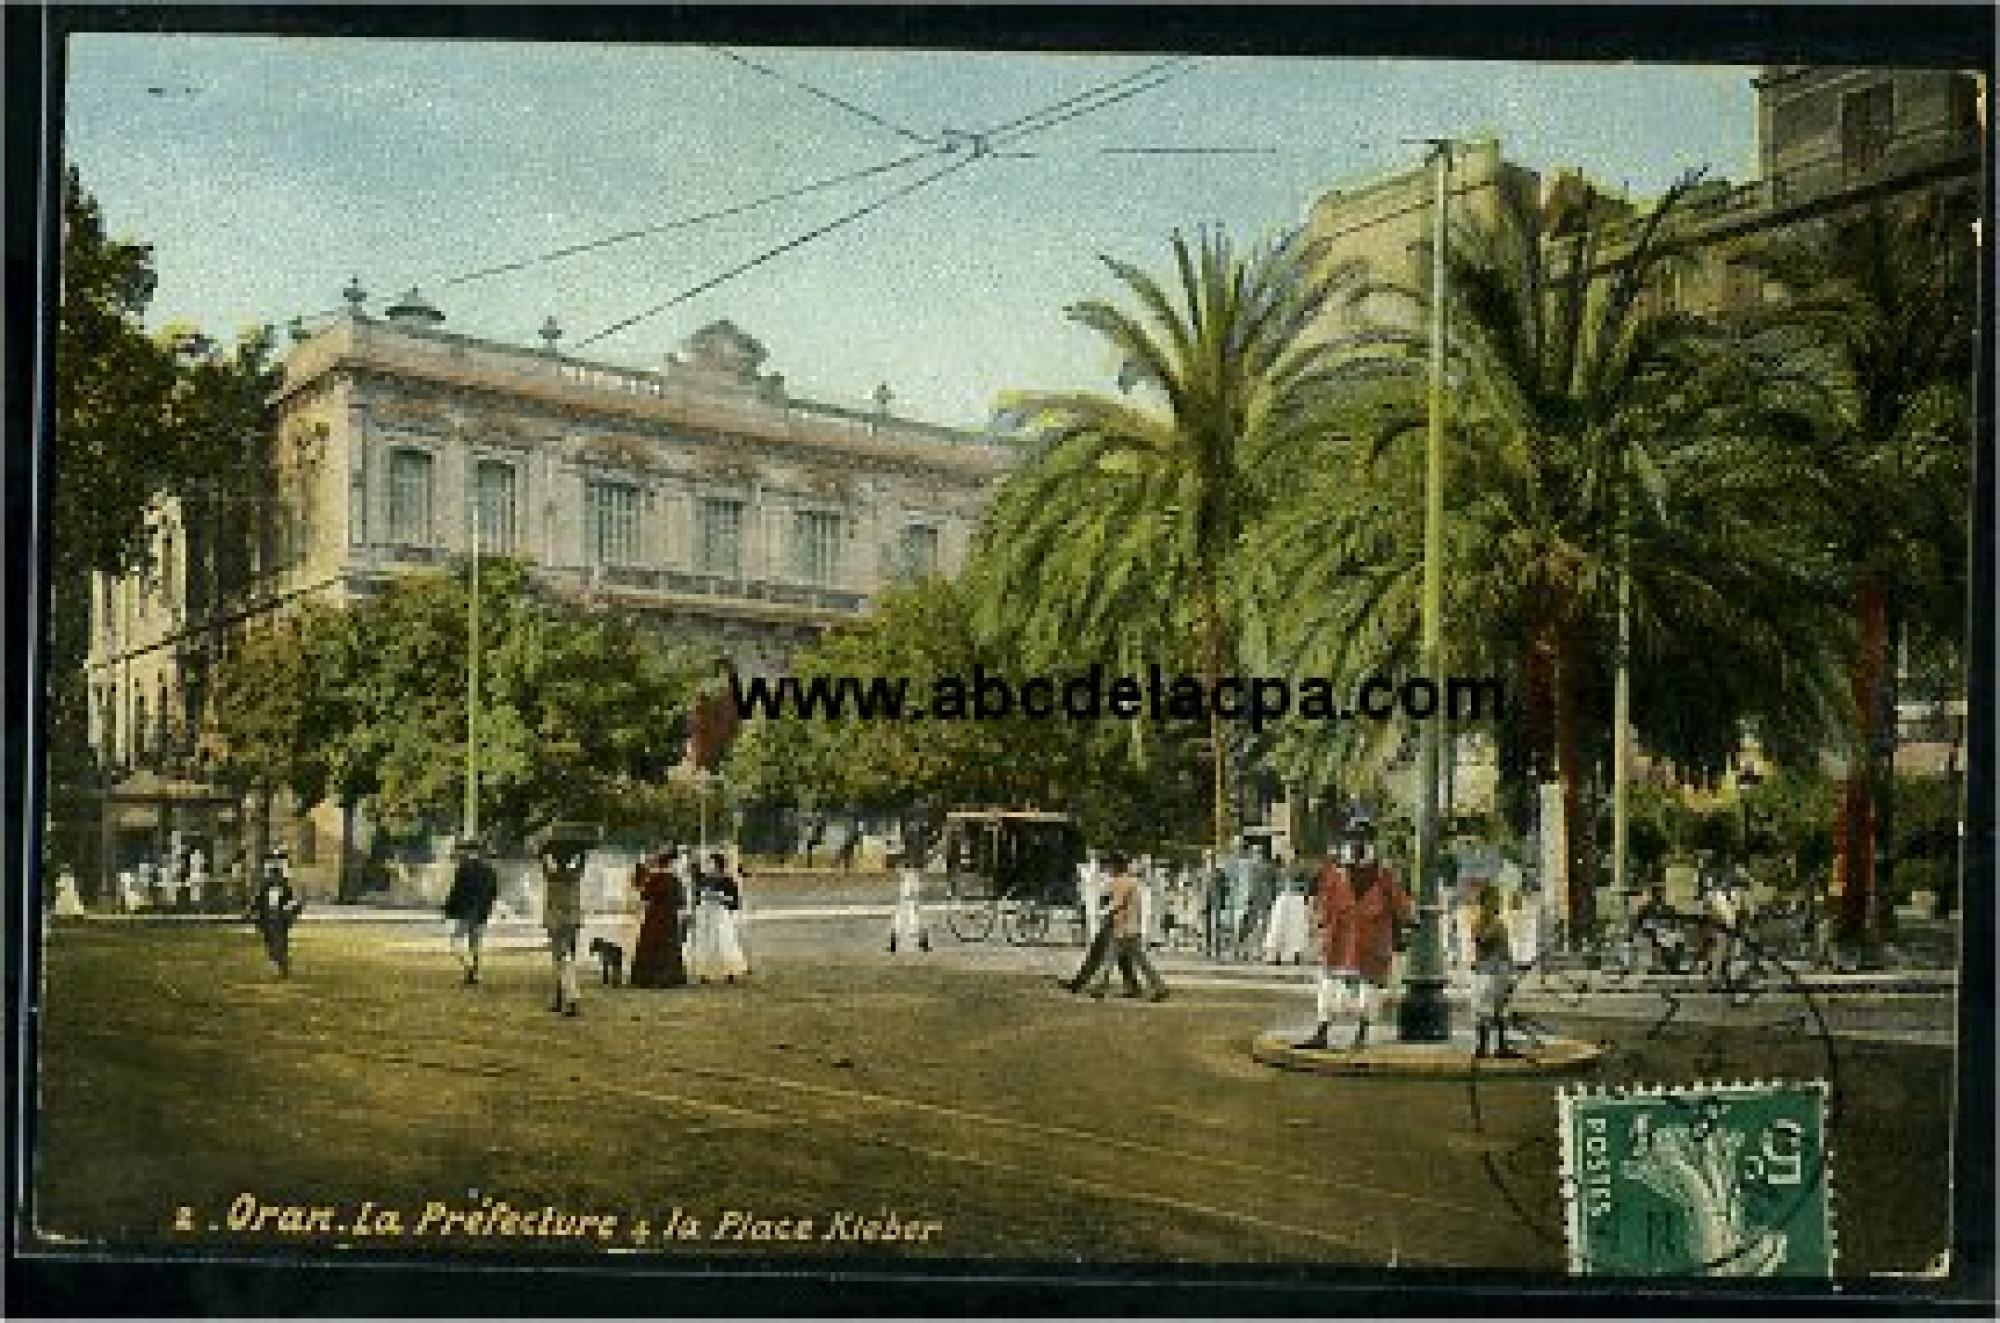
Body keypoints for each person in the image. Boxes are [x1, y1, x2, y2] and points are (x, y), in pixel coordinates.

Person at [1296, 820, 1412, 1050]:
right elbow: (1322, 902)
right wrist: (1319, 924)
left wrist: (1405, 921)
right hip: (1340, 939)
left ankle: (1358, 1033)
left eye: (1362, 838)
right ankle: (1324, 1031)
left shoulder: (1382, 874)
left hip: (1370, 940)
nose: (1357, 843)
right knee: (1332, 984)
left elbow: (1400, 904)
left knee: (1366, 987)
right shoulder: (1336, 871)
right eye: (1353, 838)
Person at [1084, 852, 1168, 1001]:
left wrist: (1101, 912)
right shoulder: (1128, 881)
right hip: (1130, 927)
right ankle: (1157, 986)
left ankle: (1099, 987)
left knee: (1111, 958)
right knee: (1139, 961)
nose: (1108, 868)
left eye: (1111, 865)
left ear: (1117, 866)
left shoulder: (1122, 882)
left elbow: (1118, 903)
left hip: (1123, 928)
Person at [540, 833, 589, 1016]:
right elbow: (582, 862)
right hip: (573, 920)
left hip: (556, 921)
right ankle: (560, 998)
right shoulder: (575, 877)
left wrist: (544, 851)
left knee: (560, 960)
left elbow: (542, 861)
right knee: (568, 958)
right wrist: (581, 851)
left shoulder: (551, 877)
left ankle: (570, 997)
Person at [1469, 885, 1520, 1058]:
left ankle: (1501, 1046)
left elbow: (1506, 950)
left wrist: (1512, 971)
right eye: (1494, 900)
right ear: (1485, 903)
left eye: (1497, 900)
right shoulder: (1481, 923)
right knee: (1485, 1010)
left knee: (1500, 1010)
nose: (1497, 904)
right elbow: (1482, 942)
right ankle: (1483, 1047)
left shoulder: (1498, 924)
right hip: (1488, 971)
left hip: (1500, 970)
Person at [442, 837, 500, 986]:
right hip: (482, 912)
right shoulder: (490, 871)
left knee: (456, 942)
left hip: (466, 911)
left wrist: (448, 909)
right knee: (475, 943)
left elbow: (457, 891)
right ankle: (476, 972)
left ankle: (470, 969)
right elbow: (493, 894)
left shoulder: (465, 868)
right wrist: (487, 909)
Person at [629, 846, 688, 987]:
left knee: (652, 942)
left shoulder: (655, 878)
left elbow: (645, 896)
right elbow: (681, 900)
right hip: (669, 915)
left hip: (654, 914)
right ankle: (669, 976)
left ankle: (649, 976)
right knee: (668, 944)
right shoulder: (674, 879)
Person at [247, 848, 303, 977]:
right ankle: (276, 960)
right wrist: (251, 911)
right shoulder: (265, 886)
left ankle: (282, 964)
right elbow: (258, 900)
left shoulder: (284, 886)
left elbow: (291, 900)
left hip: (279, 917)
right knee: (269, 940)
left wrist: (292, 909)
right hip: (267, 917)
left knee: (281, 941)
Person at [1262, 854, 1312, 965]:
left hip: (1296, 897)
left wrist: (1305, 896)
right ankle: (1274, 954)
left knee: (1296, 926)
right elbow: (1272, 885)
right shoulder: (1279, 870)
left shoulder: (1302, 870)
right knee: (1278, 924)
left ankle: (1294, 954)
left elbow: (1306, 886)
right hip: (1283, 896)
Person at [887, 861, 931, 954]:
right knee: (901, 922)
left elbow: (916, 890)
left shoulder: (911, 875)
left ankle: (923, 944)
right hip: (906, 902)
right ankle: (893, 945)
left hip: (910, 902)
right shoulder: (909, 875)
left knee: (913, 922)